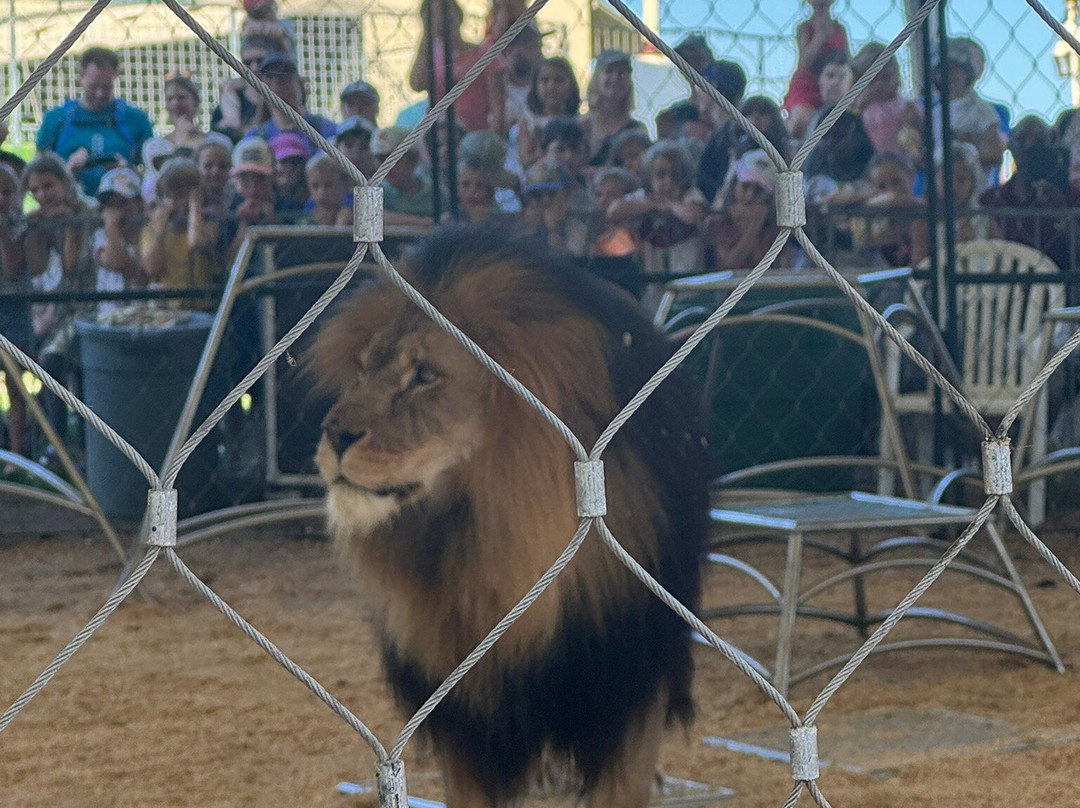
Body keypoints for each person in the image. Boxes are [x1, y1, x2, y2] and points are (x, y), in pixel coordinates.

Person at [21, 153, 95, 451]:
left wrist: (69, 227)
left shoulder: (88, 210)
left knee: (57, 360)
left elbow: (72, 265)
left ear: (64, 182)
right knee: (44, 359)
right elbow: (38, 266)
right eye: (34, 190)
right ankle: (55, 441)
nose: (41, 196)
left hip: (92, 303)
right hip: (60, 307)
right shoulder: (41, 218)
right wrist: (34, 231)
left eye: (48, 186)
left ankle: (73, 442)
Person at [35, 47, 155, 196]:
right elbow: (36, 176)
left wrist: (128, 171)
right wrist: (69, 169)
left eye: (106, 87)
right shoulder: (56, 120)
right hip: (68, 206)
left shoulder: (136, 120)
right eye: (93, 87)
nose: (100, 94)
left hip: (122, 204)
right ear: (81, 78)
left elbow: (153, 178)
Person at [979, 115, 1079, 277]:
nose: (1029, 147)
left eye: (1038, 141)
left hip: (1062, 284)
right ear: (1009, 146)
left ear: (1052, 144)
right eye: (1020, 140)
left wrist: (1061, 211)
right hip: (1007, 288)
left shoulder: (1072, 197)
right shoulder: (991, 200)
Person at [607, 140, 706, 277]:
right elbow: (613, 212)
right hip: (652, 281)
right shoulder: (644, 197)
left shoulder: (690, 195)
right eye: (661, 174)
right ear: (649, 176)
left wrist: (670, 204)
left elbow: (692, 216)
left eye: (674, 175)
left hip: (689, 282)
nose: (668, 181)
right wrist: (652, 205)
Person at [408, 0, 505, 135]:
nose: (441, 21)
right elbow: (417, 84)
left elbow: (498, 106)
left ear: (459, 17)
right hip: (441, 136)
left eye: (446, 15)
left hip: (474, 136)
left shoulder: (483, 53)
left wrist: (491, 140)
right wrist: (426, 35)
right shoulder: (432, 57)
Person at [141, 157, 222, 305]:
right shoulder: (150, 231)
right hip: (167, 310)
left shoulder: (209, 226)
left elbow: (196, 243)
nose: (177, 202)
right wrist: (159, 233)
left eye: (184, 195)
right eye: (170, 196)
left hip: (202, 307)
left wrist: (194, 207)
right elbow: (151, 269)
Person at [705, 149, 798, 271]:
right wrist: (753, 227)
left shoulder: (776, 229)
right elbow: (730, 264)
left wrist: (755, 223)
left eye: (758, 190)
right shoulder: (717, 222)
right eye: (745, 186)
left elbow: (762, 266)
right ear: (734, 185)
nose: (749, 196)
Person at [932, 43, 1004, 193]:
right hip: (941, 190)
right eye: (944, 70)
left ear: (967, 72)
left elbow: (997, 154)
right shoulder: (935, 111)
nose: (950, 75)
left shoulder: (981, 109)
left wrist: (971, 150)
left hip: (976, 191)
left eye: (956, 69)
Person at [698, 95, 790, 204]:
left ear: (774, 119)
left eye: (763, 113)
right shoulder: (724, 147)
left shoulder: (783, 153)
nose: (756, 117)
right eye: (749, 113)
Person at [783, 0, 849, 140]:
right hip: (807, 84)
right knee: (802, 122)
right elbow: (805, 61)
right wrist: (820, 35)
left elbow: (847, 60)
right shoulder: (804, 28)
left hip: (833, 81)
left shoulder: (840, 29)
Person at [247, 53, 337, 154]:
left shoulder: (325, 130)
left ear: (300, 84)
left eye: (285, 75)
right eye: (270, 77)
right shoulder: (256, 137)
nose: (277, 83)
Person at [851, 42, 923, 160]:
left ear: (896, 76)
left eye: (885, 77)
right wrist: (857, 109)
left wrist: (914, 123)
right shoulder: (855, 109)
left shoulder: (908, 107)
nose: (879, 84)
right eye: (872, 78)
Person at [0, 163, 28, 462]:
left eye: (6, 191)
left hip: (15, 307)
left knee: (15, 381)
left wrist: (3, 230)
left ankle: (18, 455)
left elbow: (14, 267)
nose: (0, 198)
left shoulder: (21, 224)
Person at [91, 167, 145, 316]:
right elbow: (113, 262)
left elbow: (132, 270)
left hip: (141, 315)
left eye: (121, 203)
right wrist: (111, 227)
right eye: (109, 205)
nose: (115, 211)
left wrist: (112, 226)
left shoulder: (147, 234)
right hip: (109, 317)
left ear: (138, 203)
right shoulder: (100, 236)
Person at [516, 56, 581, 174]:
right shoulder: (529, 121)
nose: (551, 86)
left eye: (559, 80)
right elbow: (525, 161)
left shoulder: (579, 121)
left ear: (571, 85)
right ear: (535, 86)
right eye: (545, 80)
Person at [583, 50, 646, 170]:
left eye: (621, 73)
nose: (615, 78)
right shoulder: (583, 126)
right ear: (597, 78)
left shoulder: (637, 129)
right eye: (609, 71)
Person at [210, 34, 280, 143]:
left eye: (260, 61)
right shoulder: (227, 105)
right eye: (248, 63)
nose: (254, 68)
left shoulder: (280, 102)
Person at [225, 136, 279, 261]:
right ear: (234, 180)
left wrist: (273, 223)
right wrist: (244, 224)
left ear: (273, 177)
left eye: (260, 178)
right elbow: (228, 266)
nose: (253, 187)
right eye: (244, 178)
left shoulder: (288, 206)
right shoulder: (228, 210)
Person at [520, 158, 587, 256]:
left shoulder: (576, 226)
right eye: (537, 195)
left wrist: (553, 230)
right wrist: (530, 229)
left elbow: (572, 263)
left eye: (551, 193)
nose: (545, 200)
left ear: (566, 195)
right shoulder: (519, 224)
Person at [371, 126, 437, 226]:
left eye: (393, 159)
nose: (385, 166)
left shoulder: (434, 193)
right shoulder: (374, 191)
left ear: (413, 160)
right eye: (380, 160)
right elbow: (374, 216)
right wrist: (428, 222)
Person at [590, 166, 640, 258]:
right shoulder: (597, 236)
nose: (602, 200)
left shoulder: (624, 237)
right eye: (598, 194)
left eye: (611, 195)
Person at [195, 133, 239, 221]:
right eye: (208, 166)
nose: (216, 172)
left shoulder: (237, 201)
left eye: (222, 166)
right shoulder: (188, 201)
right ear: (196, 167)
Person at [268, 132, 312, 218]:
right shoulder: (263, 198)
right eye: (284, 162)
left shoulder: (313, 197)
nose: (289, 168)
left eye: (295, 162)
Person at [302, 153, 351, 226]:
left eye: (329, 185)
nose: (322, 192)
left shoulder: (358, 221)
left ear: (344, 186)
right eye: (315, 186)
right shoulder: (301, 223)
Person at [162, 73, 206, 153]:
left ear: (196, 102)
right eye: (170, 99)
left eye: (181, 98)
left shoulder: (217, 140)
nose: (175, 104)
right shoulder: (154, 146)